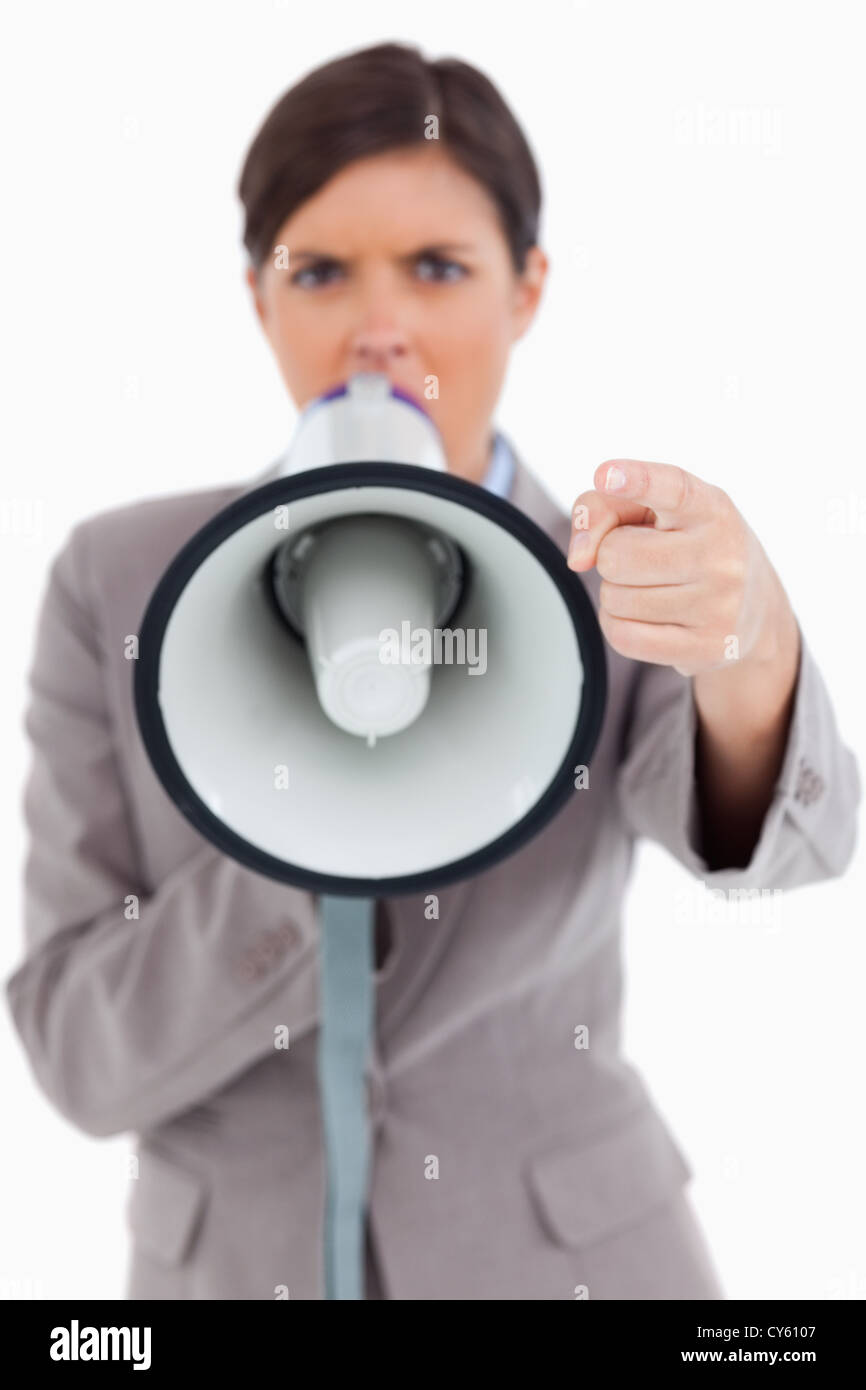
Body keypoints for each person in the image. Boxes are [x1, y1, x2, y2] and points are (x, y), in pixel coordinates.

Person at [6, 41, 860, 1301]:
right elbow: (81, 1059)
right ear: (258, 299)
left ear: (526, 290)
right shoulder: (119, 581)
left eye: (439, 267)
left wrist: (752, 639)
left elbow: (787, 845)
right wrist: (303, 823)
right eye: (321, 272)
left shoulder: (607, 583)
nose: (379, 327)